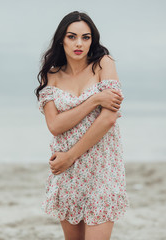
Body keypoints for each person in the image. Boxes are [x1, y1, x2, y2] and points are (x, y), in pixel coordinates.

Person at [35, 11, 130, 240]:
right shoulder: (52, 75)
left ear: (92, 40)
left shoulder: (103, 64)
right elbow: (55, 125)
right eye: (72, 37)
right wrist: (95, 99)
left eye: (86, 37)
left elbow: (108, 119)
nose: (79, 43)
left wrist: (70, 155)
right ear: (62, 40)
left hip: (102, 168)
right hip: (68, 174)